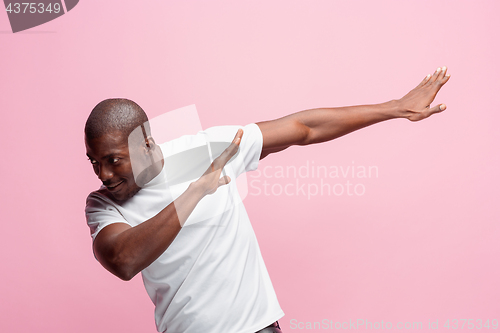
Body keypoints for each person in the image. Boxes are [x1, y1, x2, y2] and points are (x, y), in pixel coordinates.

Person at [84, 67, 450, 333]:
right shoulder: (103, 204)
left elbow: (302, 128)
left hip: (258, 328)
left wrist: (395, 107)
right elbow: (123, 260)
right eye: (95, 163)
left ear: (146, 144)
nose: (104, 175)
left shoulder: (206, 149)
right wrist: (197, 190)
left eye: (114, 160)